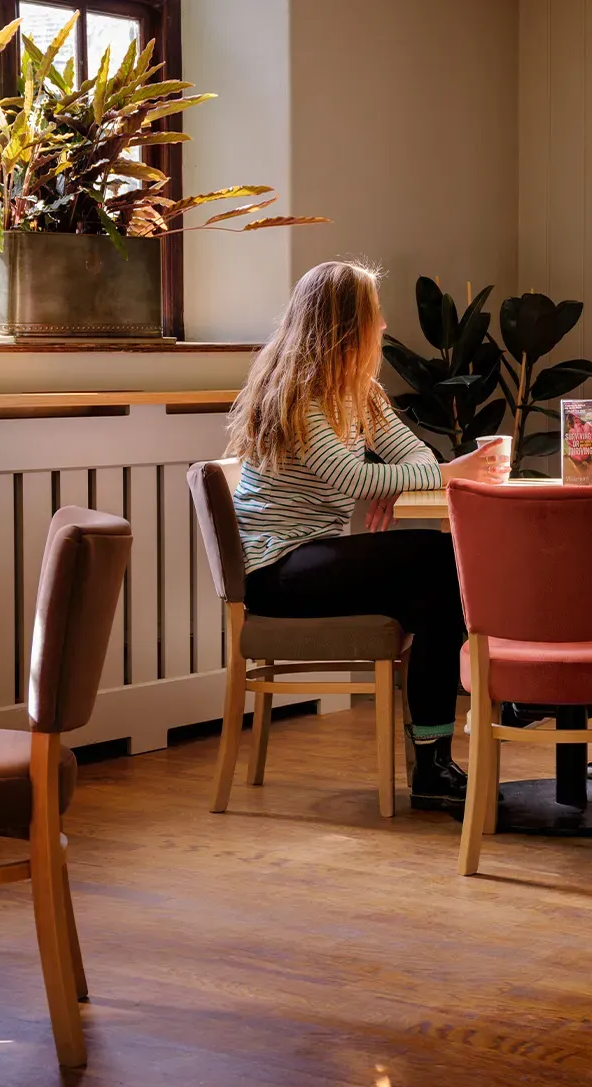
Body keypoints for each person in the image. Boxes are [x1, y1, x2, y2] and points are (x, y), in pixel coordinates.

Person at [226, 261, 508, 812]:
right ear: (345, 326)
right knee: (437, 556)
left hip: (312, 554)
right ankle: (438, 757)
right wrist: (446, 475)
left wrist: (398, 481)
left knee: (437, 591)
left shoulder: (360, 393)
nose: (382, 327)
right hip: (276, 569)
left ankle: (432, 762)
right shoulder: (299, 394)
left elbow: (414, 455)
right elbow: (357, 477)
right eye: (374, 316)